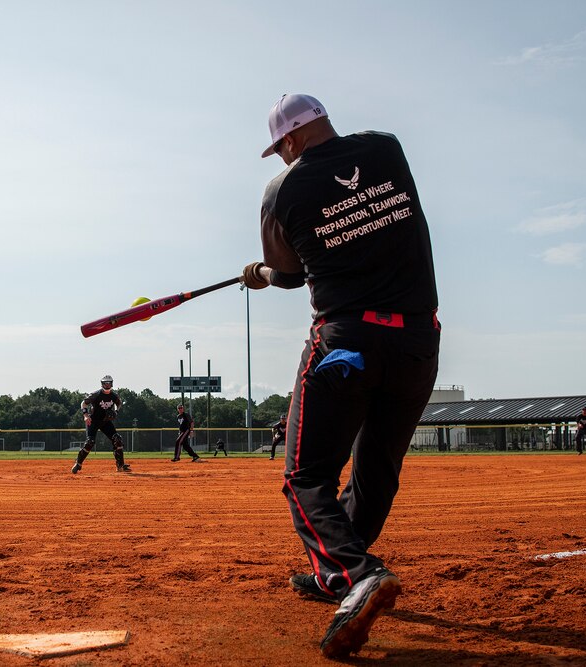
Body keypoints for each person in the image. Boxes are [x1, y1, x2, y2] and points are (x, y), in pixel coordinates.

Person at [242, 93, 440, 658]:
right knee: (376, 470)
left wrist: (258, 273)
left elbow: (287, 272)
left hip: (346, 343)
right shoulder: (387, 149)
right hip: (417, 340)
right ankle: (336, 572)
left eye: (279, 148)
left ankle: (356, 574)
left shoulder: (282, 191)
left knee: (306, 478)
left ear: (289, 140)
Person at [72, 375, 131, 473]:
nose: (107, 385)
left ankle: (120, 465)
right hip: (93, 421)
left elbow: (119, 403)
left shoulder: (114, 395)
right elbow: (83, 403)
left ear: (112, 384)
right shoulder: (96, 394)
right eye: (105, 383)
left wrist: (116, 411)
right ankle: (78, 463)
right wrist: (85, 415)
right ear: (102, 384)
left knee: (117, 439)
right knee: (90, 442)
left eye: (109, 383)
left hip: (105, 421)